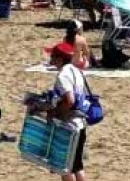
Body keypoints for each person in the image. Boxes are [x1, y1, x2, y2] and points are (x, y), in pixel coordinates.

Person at [47, 42, 89, 181]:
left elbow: (69, 100)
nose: (50, 59)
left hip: (69, 125)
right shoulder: (76, 71)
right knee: (77, 166)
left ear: (60, 58)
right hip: (80, 124)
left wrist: (55, 112)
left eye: (52, 56)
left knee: (64, 166)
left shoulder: (63, 75)